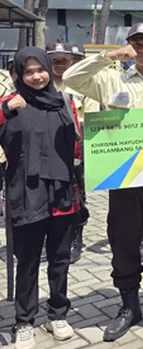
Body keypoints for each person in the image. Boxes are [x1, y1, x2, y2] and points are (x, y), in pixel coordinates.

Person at [62, 21, 143, 342]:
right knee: (122, 244)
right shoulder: (110, 78)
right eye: (137, 43)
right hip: (123, 181)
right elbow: (69, 78)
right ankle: (129, 306)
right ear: (130, 46)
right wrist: (108, 56)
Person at [0, 48, 81, 349]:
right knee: (28, 261)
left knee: (60, 260)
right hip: (26, 193)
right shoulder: (9, 104)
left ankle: (57, 315)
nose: (36, 77)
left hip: (61, 193)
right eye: (28, 72)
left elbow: (77, 143)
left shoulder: (63, 102)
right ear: (19, 75)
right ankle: (24, 322)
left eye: (40, 70)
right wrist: (6, 111)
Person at [45, 41, 100, 265]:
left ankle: (76, 237)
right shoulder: (40, 84)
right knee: (49, 197)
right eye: (54, 60)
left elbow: (93, 120)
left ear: (72, 60)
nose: (59, 64)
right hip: (47, 151)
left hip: (77, 149)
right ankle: (51, 241)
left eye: (64, 60)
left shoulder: (83, 86)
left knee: (77, 198)